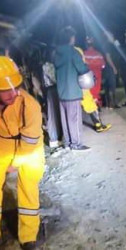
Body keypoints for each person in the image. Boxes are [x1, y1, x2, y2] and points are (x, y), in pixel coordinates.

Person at [0, 56, 45, 249]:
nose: (12, 93)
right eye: (5, 89)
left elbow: (30, 141)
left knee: (28, 187)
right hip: (3, 143)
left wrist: (15, 163)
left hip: (30, 148)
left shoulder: (30, 105)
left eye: (14, 86)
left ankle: (29, 236)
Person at [54, 26, 90, 151]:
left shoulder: (56, 53)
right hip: (72, 91)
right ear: (70, 38)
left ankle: (68, 143)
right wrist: (86, 67)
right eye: (73, 36)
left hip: (61, 92)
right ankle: (77, 144)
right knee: (74, 119)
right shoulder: (72, 52)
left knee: (65, 119)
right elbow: (82, 69)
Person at [76, 47, 112, 133]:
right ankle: (98, 125)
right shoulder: (77, 50)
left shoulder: (58, 51)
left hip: (68, 85)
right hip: (82, 81)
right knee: (90, 104)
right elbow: (83, 66)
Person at [42, 49, 63, 150]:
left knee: (53, 114)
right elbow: (54, 79)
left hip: (49, 90)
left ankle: (55, 138)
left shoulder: (44, 65)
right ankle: (55, 138)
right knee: (55, 115)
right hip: (53, 90)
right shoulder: (49, 65)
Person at [84, 36, 106, 107]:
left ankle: (90, 107)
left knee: (88, 92)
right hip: (97, 76)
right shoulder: (98, 54)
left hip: (87, 76)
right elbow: (103, 65)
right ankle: (96, 106)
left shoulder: (83, 54)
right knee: (96, 92)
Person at [102, 31, 120, 109]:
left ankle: (110, 103)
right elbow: (108, 57)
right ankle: (112, 104)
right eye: (112, 36)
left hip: (110, 67)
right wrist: (113, 67)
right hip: (109, 68)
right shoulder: (107, 45)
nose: (113, 37)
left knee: (110, 86)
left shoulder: (112, 45)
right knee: (112, 86)